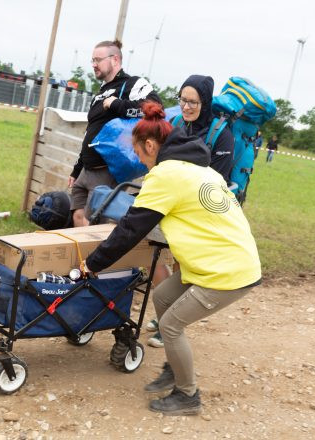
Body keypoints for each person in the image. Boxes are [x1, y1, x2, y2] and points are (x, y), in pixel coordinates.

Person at [82, 102, 261, 415]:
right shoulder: (198, 168)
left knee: (172, 326)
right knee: (163, 294)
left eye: (138, 154)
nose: (140, 162)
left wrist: (92, 264)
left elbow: (129, 229)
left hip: (227, 271)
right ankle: (176, 366)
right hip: (222, 260)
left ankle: (187, 394)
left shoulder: (165, 176)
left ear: (150, 145)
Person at [147, 74, 235, 349]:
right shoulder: (175, 126)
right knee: (153, 257)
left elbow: (216, 183)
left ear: (205, 102)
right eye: (182, 100)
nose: (186, 107)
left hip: (199, 213)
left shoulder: (221, 136)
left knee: (183, 265)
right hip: (172, 205)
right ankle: (166, 314)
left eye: (193, 102)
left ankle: (171, 322)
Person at [68, 39, 161, 227]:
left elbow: (155, 108)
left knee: (95, 224)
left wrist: (116, 104)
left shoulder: (132, 83)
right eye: (92, 60)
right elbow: (90, 131)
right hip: (87, 168)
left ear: (115, 59)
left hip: (108, 170)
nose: (94, 65)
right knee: (78, 216)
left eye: (98, 60)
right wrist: (77, 169)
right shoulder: (101, 92)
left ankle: (92, 257)